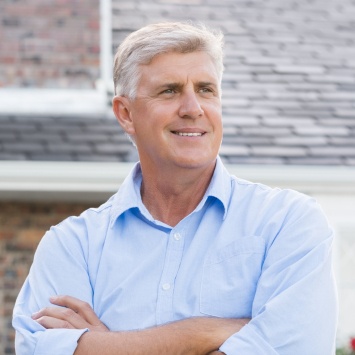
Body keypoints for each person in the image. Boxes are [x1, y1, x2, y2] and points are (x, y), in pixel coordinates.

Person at [13, 22, 337, 354]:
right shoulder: (71, 247)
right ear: (126, 114)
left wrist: (105, 345)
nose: (193, 108)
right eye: (169, 90)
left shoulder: (287, 223)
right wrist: (210, 331)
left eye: (206, 89)